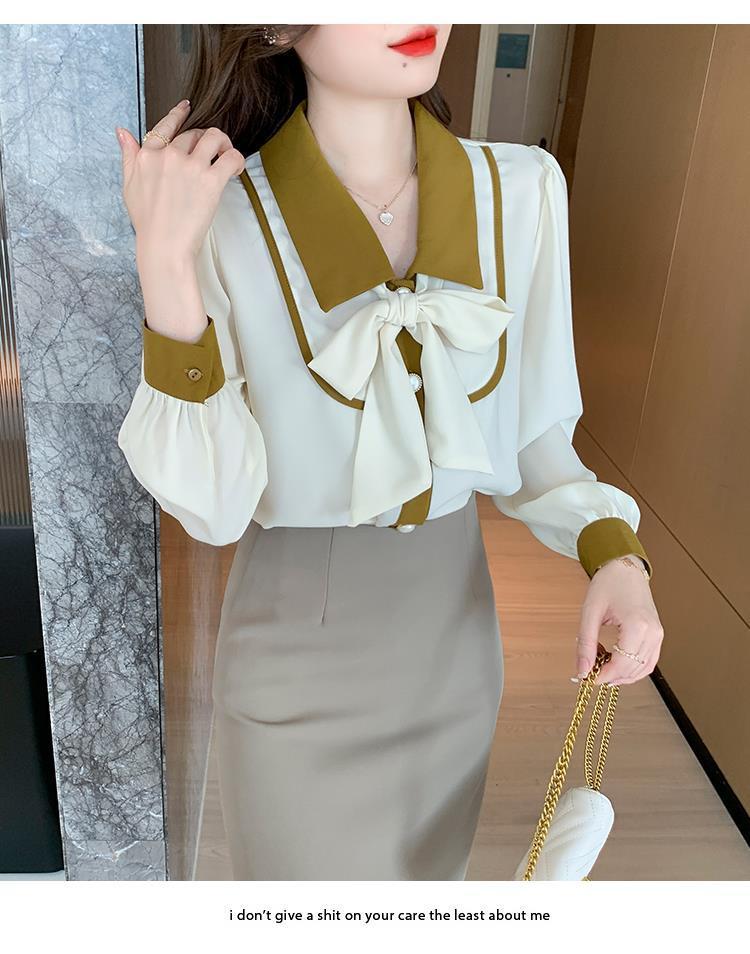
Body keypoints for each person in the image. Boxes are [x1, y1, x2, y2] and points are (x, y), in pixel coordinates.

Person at [114, 24, 664, 880]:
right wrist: (163, 261)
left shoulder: (524, 192)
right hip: (291, 656)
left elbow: (536, 436)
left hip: (454, 649)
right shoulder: (220, 216)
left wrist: (615, 557)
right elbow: (213, 509)